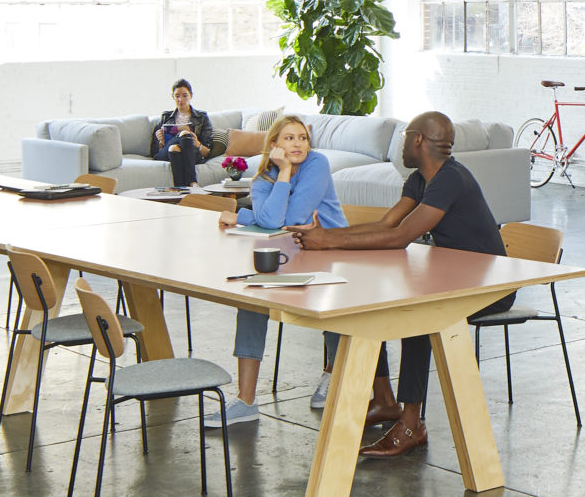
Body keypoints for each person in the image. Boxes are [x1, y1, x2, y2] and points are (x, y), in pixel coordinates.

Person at [287, 111, 513, 459]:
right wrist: (323, 236)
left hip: (490, 288)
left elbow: (400, 237)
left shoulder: (451, 179)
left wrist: (327, 242)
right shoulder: (421, 179)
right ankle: (385, 401)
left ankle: (412, 424)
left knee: (418, 318)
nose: (402, 143)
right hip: (454, 277)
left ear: (418, 140)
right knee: (368, 302)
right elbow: (387, 222)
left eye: (406, 135)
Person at [203, 114, 345, 428]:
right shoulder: (267, 173)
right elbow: (272, 222)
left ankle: (334, 373)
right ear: (275, 145)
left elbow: (291, 215)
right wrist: (282, 174)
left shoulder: (317, 164)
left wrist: (241, 215)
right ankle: (246, 401)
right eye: (290, 138)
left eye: (303, 138)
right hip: (290, 251)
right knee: (251, 301)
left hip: (331, 252)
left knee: (333, 305)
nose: (298, 144)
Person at [151, 78, 213, 189]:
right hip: (165, 152)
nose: (181, 99)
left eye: (185, 95)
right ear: (173, 97)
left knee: (175, 148)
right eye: (177, 96)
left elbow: (208, 152)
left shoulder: (202, 117)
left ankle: (181, 191)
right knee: (184, 133)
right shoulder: (165, 117)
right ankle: (192, 182)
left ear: (191, 96)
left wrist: (197, 144)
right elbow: (154, 153)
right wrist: (160, 142)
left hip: (191, 153)